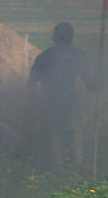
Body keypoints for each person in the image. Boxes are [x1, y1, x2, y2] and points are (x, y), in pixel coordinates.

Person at [28, 23, 97, 169]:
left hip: (58, 102)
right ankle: (72, 166)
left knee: (58, 135)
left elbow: (31, 84)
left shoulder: (45, 57)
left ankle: (61, 167)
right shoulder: (75, 56)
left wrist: (38, 101)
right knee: (70, 133)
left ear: (54, 38)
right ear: (71, 38)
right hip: (57, 102)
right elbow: (89, 82)